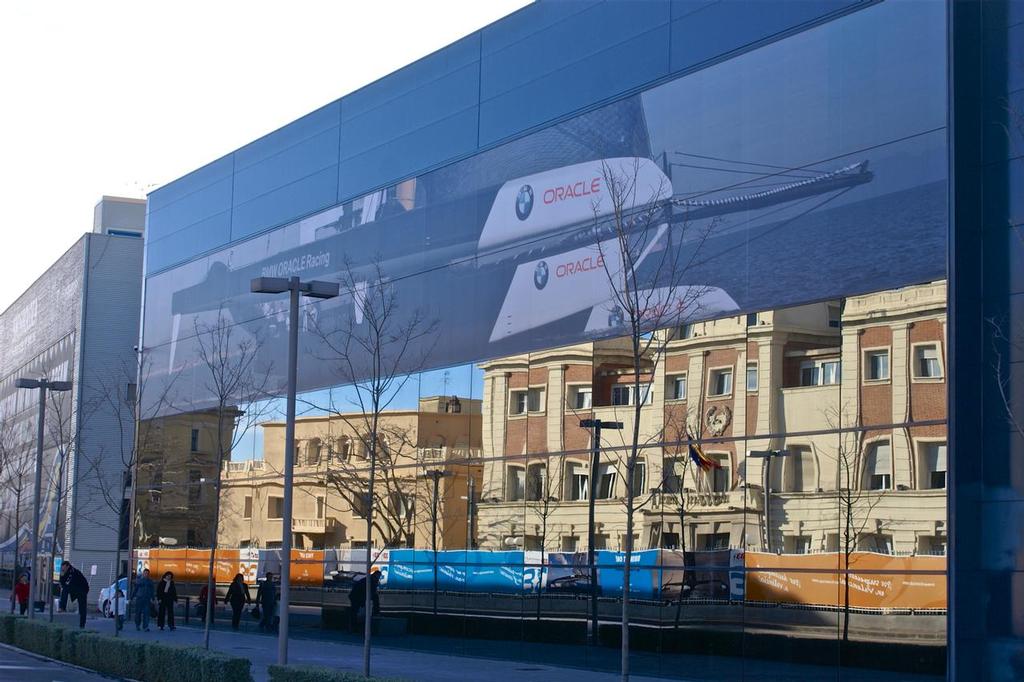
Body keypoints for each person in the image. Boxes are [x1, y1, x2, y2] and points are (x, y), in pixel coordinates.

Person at [347, 567, 382, 631]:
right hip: (357, 596)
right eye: (379, 576)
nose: (379, 578)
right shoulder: (371, 581)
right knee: (354, 611)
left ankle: (353, 626)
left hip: (356, 595)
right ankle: (353, 627)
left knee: (354, 611)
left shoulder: (370, 579)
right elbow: (373, 593)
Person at [61, 562, 90, 628]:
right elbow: (63, 583)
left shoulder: (72, 571)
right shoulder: (66, 572)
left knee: (82, 607)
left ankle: (82, 624)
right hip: (75, 588)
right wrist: (62, 576)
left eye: (64, 567)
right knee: (65, 589)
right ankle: (62, 607)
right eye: (62, 568)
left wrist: (64, 582)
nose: (63, 569)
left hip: (82, 589)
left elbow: (68, 583)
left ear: (67, 566)